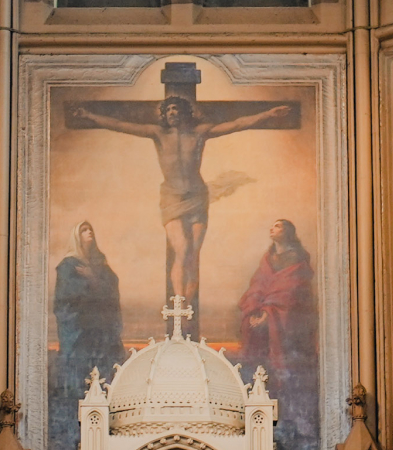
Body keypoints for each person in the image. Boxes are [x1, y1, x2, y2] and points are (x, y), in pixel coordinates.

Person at [71, 98, 290, 304]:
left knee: (193, 254)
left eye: (176, 109)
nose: (172, 113)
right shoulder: (158, 133)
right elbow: (120, 125)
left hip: (197, 196)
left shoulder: (200, 133)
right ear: (164, 115)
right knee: (182, 250)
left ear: (186, 113)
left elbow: (237, 124)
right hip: (172, 197)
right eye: (168, 110)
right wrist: (90, 116)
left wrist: (268, 114)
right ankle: (179, 304)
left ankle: (188, 304)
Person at [236, 219, 319, 450]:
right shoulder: (268, 259)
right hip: (264, 330)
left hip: (290, 333)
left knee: (290, 385)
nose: (273, 229)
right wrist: (255, 310)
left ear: (289, 232)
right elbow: (258, 286)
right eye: (272, 226)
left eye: (279, 226)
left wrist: (269, 313)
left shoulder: (298, 261)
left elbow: (291, 293)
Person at [48, 221, 125, 450]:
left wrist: (93, 280)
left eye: (91, 229)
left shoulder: (101, 265)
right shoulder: (68, 267)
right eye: (84, 229)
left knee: (104, 386)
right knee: (79, 390)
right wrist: (91, 287)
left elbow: (111, 293)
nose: (89, 232)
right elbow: (64, 303)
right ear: (76, 236)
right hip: (80, 337)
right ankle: (75, 448)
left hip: (102, 338)